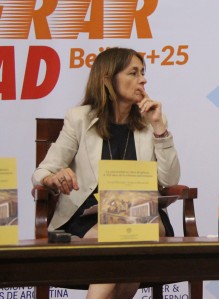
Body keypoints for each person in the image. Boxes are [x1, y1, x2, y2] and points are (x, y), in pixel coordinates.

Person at [32, 47, 180, 299]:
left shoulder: (148, 122)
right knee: (124, 243)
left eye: (143, 73)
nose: (142, 79)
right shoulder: (79, 119)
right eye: (133, 73)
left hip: (142, 218)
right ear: (108, 80)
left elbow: (169, 181)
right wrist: (53, 178)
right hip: (89, 220)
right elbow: (42, 172)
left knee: (129, 233)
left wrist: (159, 129)